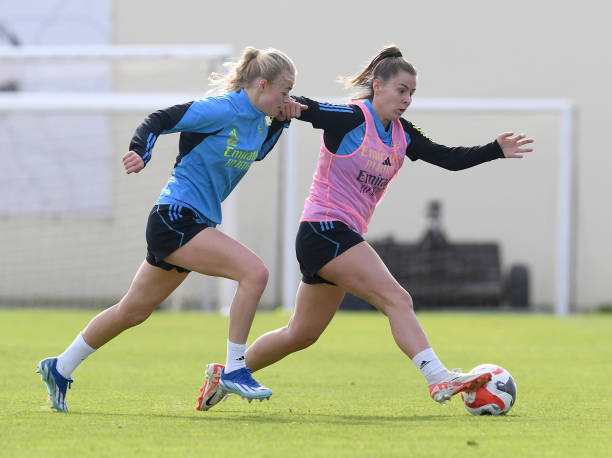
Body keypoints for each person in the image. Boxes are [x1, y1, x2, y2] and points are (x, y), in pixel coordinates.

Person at [197, 44, 534, 411]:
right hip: (325, 230)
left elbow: (449, 159)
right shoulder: (352, 118)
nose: (406, 100)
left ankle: (226, 373)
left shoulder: (404, 134)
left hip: (333, 238)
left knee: (300, 334)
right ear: (378, 85)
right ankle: (438, 378)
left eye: (412, 94)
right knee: (398, 299)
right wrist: (290, 105)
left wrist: (494, 149)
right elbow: (309, 107)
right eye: (401, 90)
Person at [36, 46, 307, 412]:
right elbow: (161, 118)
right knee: (254, 272)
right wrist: (141, 151)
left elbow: (257, 152)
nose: (287, 99)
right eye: (284, 91)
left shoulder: (259, 120)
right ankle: (235, 368)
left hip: (190, 222)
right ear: (261, 84)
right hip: (176, 217)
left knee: (133, 311)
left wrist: (282, 120)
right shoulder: (222, 108)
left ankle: (60, 366)